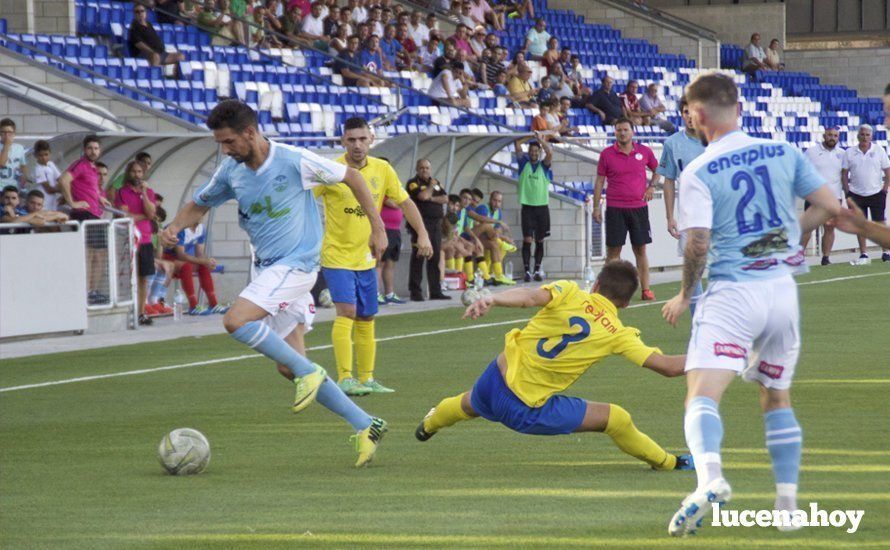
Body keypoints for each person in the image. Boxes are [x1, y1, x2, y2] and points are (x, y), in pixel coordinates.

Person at [660, 73, 844, 537]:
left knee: (702, 392)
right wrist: (786, 237)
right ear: (739, 108)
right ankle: (786, 504)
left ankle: (710, 479)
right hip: (782, 292)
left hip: (733, 292)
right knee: (776, 395)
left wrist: (685, 292)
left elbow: (698, 242)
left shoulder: (698, 170)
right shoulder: (784, 151)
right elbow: (828, 206)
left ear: (697, 115)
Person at [160, 101, 388, 467]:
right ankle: (366, 424)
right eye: (221, 143)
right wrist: (173, 228)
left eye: (230, 141)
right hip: (267, 270)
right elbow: (199, 205)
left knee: (236, 321)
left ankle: (311, 374)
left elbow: (353, 178)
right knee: (289, 366)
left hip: (296, 266)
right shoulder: (230, 172)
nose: (226, 149)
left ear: (250, 133)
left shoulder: (294, 160)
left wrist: (377, 227)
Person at [415, 261, 694, 473]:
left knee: (468, 404)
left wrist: (494, 298)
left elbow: (530, 297)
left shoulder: (569, 291)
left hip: (494, 378)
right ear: (624, 304)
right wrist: (714, 356)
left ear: (595, 285)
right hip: (523, 409)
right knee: (617, 418)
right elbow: (667, 367)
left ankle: (427, 425)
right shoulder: (618, 333)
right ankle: (669, 463)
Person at [315, 117, 433, 396]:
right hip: (337, 255)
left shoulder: (383, 169)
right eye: (351, 139)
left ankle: (366, 378)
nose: (357, 145)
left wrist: (423, 234)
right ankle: (345, 378)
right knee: (347, 312)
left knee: (367, 317)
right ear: (343, 141)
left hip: (368, 257)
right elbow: (306, 196)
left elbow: (405, 202)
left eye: (362, 139)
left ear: (371, 140)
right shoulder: (331, 169)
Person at [593, 118, 659, 301]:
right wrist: (596, 207)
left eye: (625, 130)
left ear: (632, 132)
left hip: (638, 209)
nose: (622, 133)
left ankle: (646, 290)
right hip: (615, 208)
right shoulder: (607, 154)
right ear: (615, 132)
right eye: (619, 130)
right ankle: (607, 292)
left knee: (640, 250)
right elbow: (599, 181)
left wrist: (652, 186)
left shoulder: (644, 151)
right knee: (613, 252)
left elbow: (659, 169)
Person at [657, 96, 706, 312]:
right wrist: (669, 217)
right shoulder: (672, 144)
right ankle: (700, 323)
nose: (690, 116)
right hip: (690, 217)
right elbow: (668, 180)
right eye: (686, 112)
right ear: (682, 114)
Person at [58, 135, 113, 305]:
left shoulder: (93, 168)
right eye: (90, 148)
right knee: (88, 255)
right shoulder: (80, 164)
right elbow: (63, 180)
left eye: (96, 148)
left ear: (100, 150)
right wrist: (72, 202)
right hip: (83, 214)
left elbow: (91, 187)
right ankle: (84, 291)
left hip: (95, 215)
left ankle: (93, 291)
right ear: (84, 149)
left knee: (100, 255)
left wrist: (99, 198)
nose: (93, 151)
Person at [114, 160, 158, 326]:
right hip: (129, 238)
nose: (137, 175)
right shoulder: (122, 192)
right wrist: (144, 216)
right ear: (128, 173)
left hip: (145, 239)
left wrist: (145, 194)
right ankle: (128, 311)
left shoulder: (150, 192)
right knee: (128, 277)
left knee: (143, 278)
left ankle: (141, 312)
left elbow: (151, 213)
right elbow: (125, 216)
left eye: (140, 172)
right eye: (134, 172)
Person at [841, 124, 890, 264]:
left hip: (876, 193)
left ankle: (886, 251)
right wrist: (847, 192)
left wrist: (885, 189)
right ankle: (864, 253)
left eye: (867, 135)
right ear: (857, 136)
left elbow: (887, 171)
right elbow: (844, 174)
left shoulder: (879, 150)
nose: (864, 137)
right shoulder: (849, 152)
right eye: (862, 134)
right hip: (856, 193)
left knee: (879, 223)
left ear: (871, 136)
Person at [159, 219, 228, 315]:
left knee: (203, 265)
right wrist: (203, 260)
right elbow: (180, 255)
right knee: (186, 266)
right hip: (168, 258)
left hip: (181, 259)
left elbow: (199, 254)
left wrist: (208, 261)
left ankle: (213, 303)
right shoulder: (181, 229)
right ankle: (193, 305)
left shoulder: (201, 229)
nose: (200, 216)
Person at [406, 158, 451, 301]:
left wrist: (431, 198)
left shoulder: (435, 182)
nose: (425, 170)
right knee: (419, 256)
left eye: (427, 168)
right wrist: (430, 189)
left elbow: (445, 198)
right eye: (422, 168)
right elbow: (422, 196)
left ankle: (435, 291)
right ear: (417, 169)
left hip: (436, 224)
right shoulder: (413, 183)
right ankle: (415, 291)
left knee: (435, 257)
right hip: (421, 224)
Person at [801, 127, 845, 265]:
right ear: (824, 136)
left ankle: (826, 257)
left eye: (835, 136)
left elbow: (845, 175)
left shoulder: (843, 154)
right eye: (830, 135)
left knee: (830, 227)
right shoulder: (811, 152)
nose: (832, 138)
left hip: (834, 197)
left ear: (838, 138)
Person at [514, 133, 553, 282]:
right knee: (527, 239)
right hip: (528, 208)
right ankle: (526, 271)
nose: (534, 153)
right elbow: (517, 144)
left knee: (540, 240)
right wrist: (531, 136)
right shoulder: (524, 163)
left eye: (536, 151)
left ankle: (537, 270)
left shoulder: (544, 166)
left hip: (542, 208)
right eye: (531, 151)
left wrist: (540, 140)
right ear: (528, 152)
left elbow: (550, 152)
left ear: (539, 152)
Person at [127, 4, 185, 69]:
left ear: (146, 13)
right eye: (137, 12)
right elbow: (139, 44)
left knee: (180, 56)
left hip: (161, 53)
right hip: (145, 54)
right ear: (134, 14)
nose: (140, 13)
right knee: (155, 56)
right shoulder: (134, 28)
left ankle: (176, 78)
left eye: (142, 11)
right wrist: (152, 52)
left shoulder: (149, 24)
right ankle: (154, 77)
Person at [376, 199, 405, 305]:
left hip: (395, 230)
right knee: (379, 262)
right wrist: (402, 204)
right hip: (384, 229)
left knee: (391, 262)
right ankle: (375, 293)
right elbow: (393, 203)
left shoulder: (396, 191)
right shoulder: (384, 189)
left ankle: (389, 294)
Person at [32, 140, 62, 212]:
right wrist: (63, 190)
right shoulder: (38, 169)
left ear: (50, 153)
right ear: (35, 155)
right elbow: (48, 189)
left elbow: (61, 179)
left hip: (53, 202)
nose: (44, 158)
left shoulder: (51, 164)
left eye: (46, 154)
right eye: (40, 155)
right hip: (43, 203)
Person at [0, 118, 27, 190]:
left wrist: (24, 176)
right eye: (3, 132)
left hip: (14, 187)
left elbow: (23, 165)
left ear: (14, 133)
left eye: (9, 132)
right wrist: (6, 146)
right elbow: (1, 163)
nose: (6, 135)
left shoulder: (19, 148)